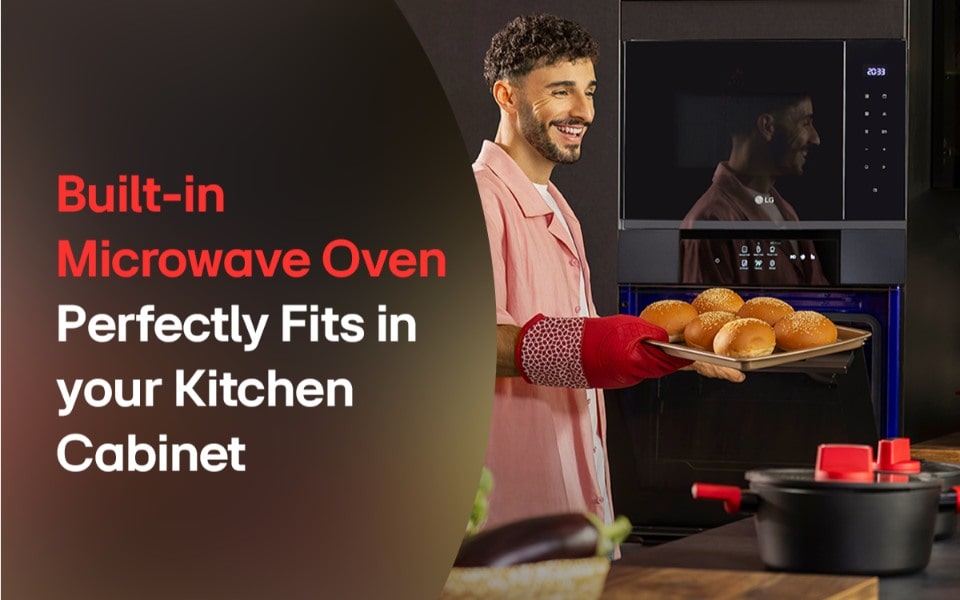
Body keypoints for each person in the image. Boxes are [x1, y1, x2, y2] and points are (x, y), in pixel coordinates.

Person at [473, 13, 744, 533]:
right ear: (506, 96)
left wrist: (676, 351)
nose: (584, 111)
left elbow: (588, 352)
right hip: (513, 521)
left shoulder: (558, 207)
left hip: (582, 498)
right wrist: (605, 346)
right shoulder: (477, 200)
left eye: (589, 91)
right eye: (561, 91)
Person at [680, 90, 830, 285]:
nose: (815, 138)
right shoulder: (708, 225)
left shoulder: (786, 212)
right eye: (805, 123)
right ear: (767, 126)